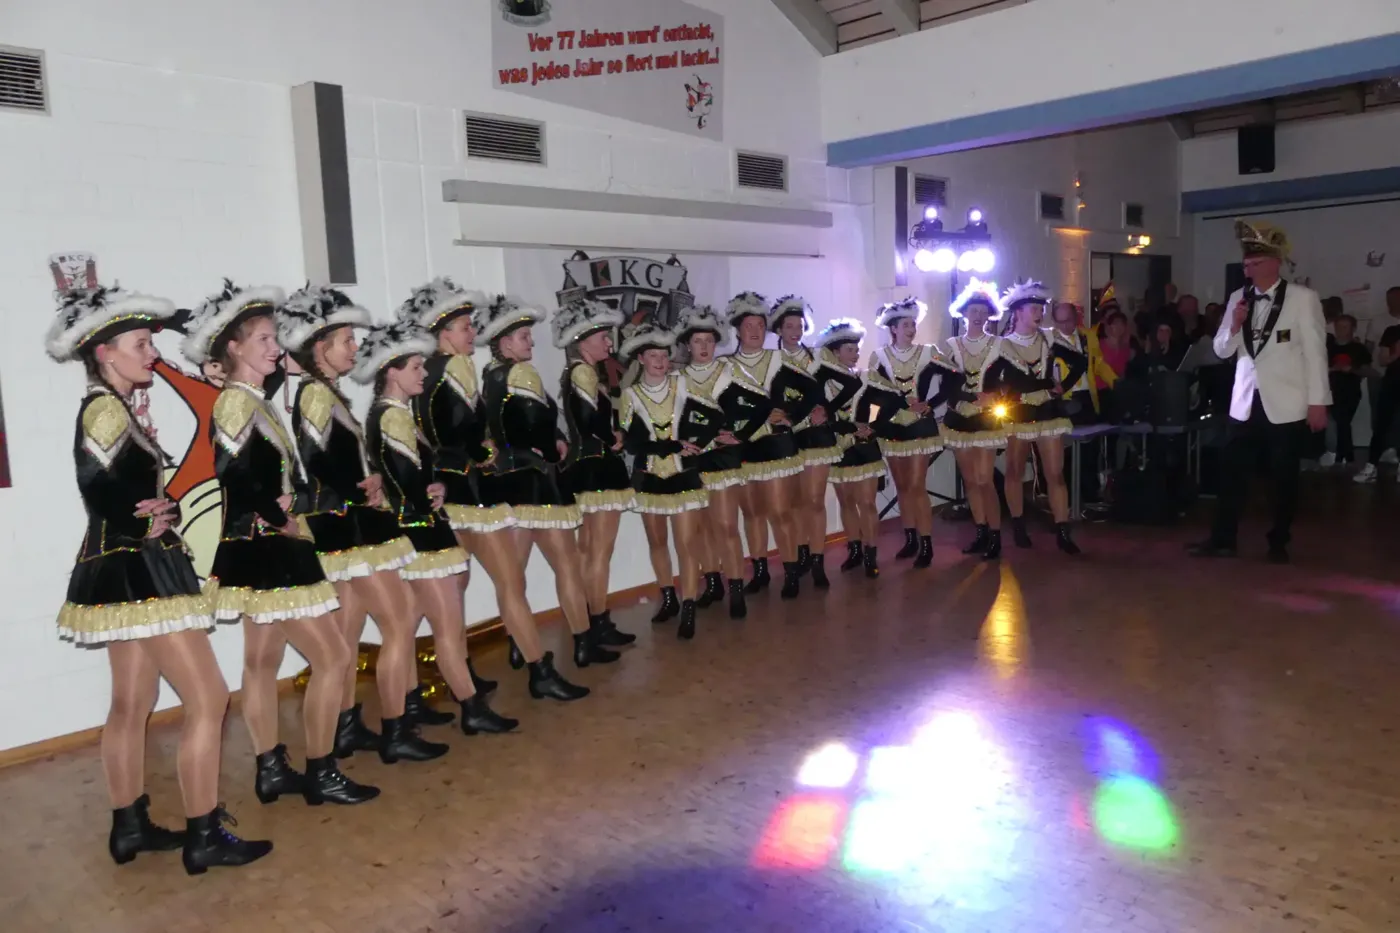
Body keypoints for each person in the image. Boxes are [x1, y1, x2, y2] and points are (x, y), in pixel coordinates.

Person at [46, 285, 270, 875]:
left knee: (131, 702)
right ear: (105, 353)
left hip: (119, 564)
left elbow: (111, 485)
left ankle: (130, 827)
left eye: (150, 343)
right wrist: (142, 519)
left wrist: (151, 509)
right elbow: (95, 482)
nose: (151, 353)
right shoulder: (104, 409)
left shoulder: (112, 407)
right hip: (138, 567)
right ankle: (204, 833)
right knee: (209, 697)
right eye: (141, 344)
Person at [182, 280, 378, 808]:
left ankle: (270, 767)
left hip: (257, 545)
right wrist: (281, 520)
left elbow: (267, 475)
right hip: (269, 546)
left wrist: (290, 508)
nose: (275, 347)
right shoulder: (235, 402)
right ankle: (322, 770)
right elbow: (234, 473)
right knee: (333, 657)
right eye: (264, 339)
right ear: (234, 348)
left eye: (275, 338)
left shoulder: (251, 400)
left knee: (262, 661)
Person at [278, 284, 452, 765]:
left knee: (349, 632)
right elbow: (317, 458)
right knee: (399, 621)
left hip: (344, 523)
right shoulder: (315, 393)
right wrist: (361, 487)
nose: (355, 348)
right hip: (349, 526)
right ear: (320, 347)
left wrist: (364, 480)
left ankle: (347, 726)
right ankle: (396, 729)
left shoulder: (321, 392)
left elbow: (332, 457)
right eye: (347, 341)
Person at [398, 279, 587, 701]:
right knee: (509, 585)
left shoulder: (432, 371)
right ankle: (538, 670)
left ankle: (446, 678)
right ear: (443, 332)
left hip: (448, 487)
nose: (473, 333)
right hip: (469, 489)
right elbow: (462, 430)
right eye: (465, 327)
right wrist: (483, 451)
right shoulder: (454, 367)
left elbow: (433, 432)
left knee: (453, 589)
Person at [353, 320, 518, 735]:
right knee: (446, 628)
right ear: (391, 372)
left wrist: (435, 488)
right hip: (422, 532)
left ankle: (408, 707)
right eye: (415, 367)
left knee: (411, 625)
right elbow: (407, 479)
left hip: (415, 526)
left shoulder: (389, 414)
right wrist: (430, 495)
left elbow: (404, 476)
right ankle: (470, 707)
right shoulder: (392, 417)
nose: (424, 374)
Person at [477, 294, 621, 667]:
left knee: (513, 577)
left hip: (507, 482)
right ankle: (583, 643)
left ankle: (518, 644)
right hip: (537, 482)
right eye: (524, 336)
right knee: (567, 566)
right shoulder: (521, 373)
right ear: (505, 342)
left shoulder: (490, 375)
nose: (531, 342)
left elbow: (497, 426)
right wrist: (553, 445)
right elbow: (536, 421)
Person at [1189, 220, 1330, 563]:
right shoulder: (1238, 298)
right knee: (1231, 474)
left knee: (1283, 478)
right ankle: (1223, 539)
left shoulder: (1302, 298)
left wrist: (1318, 401)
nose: (1248, 270)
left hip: (1286, 402)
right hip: (1245, 402)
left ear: (1274, 263)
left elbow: (1315, 353)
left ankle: (1278, 541)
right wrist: (1234, 325)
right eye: (1246, 264)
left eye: (1255, 263)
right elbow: (1221, 350)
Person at [552, 299, 637, 648]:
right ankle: (598, 622)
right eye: (602, 337)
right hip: (598, 467)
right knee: (599, 551)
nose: (609, 344)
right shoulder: (583, 372)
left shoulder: (575, 371)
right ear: (583, 339)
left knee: (588, 550)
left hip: (583, 466)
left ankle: (589, 623)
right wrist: (613, 436)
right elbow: (589, 419)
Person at [617, 321, 709, 638]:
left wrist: (698, 442)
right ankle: (668, 597)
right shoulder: (630, 395)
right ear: (641, 358)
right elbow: (631, 443)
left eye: (663, 354)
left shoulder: (682, 385)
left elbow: (713, 416)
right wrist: (667, 446)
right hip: (649, 478)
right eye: (653, 355)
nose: (660, 361)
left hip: (684, 475)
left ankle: (689, 605)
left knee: (687, 544)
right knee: (657, 543)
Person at [984, 280, 1087, 554]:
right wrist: (1003, 393)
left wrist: (1063, 386)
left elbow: (1080, 362)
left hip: (1048, 411)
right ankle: (1018, 525)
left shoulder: (1049, 338)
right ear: (1018, 312)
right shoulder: (1003, 345)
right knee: (1015, 471)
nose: (1039, 313)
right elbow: (989, 379)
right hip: (1018, 413)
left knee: (1055, 474)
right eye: (1033, 308)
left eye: (1041, 309)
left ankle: (1063, 531)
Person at [723, 292, 807, 598]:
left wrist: (790, 414)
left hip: (777, 446)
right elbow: (721, 405)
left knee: (781, 513)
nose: (755, 330)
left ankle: (791, 572)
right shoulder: (726, 366)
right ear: (738, 329)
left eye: (760, 324)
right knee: (752, 514)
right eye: (749, 325)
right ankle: (760, 571)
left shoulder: (779, 358)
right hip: (745, 447)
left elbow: (811, 392)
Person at [676, 306, 749, 619]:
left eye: (708, 340)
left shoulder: (728, 371)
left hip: (722, 456)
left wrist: (735, 434)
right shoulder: (677, 378)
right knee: (703, 528)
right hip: (694, 457)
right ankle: (713, 583)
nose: (704, 346)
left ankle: (736, 588)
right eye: (697, 341)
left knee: (726, 526)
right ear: (687, 345)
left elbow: (749, 405)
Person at [867, 297, 951, 569]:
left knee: (916, 486)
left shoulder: (928, 352)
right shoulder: (879, 357)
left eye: (913, 324)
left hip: (919, 427)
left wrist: (931, 404)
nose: (911, 329)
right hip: (892, 428)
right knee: (903, 486)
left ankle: (927, 544)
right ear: (893, 328)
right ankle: (911, 538)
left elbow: (955, 376)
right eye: (905, 325)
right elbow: (872, 396)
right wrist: (871, 425)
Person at [770, 295, 839, 587]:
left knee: (814, 500)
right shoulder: (771, 361)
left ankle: (818, 560)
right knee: (794, 502)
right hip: (786, 437)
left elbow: (841, 388)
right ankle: (801, 555)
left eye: (799, 326)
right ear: (779, 329)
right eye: (789, 326)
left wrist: (827, 410)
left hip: (815, 436)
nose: (795, 331)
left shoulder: (818, 356)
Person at [813, 319, 885, 577]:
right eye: (849, 349)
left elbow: (881, 404)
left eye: (857, 349)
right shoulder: (823, 382)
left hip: (865, 446)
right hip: (839, 447)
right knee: (846, 502)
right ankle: (854, 550)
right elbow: (822, 416)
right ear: (835, 352)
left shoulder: (866, 377)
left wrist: (871, 426)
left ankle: (871, 554)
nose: (855, 354)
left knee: (867, 503)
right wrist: (848, 427)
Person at [941, 279, 1007, 559]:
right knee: (970, 480)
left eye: (983, 311)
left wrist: (995, 396)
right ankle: (980, 531)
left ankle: (996, 535)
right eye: (973, 310)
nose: (978, 315)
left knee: (984, 480)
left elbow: (1011, 380)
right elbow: (946, 384)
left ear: (990, 314)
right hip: (959, 419)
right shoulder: (952, 345)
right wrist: (965, 399)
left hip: (987, 419)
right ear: (964, 313)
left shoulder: (1000, 344)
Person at [1354, 285, 1400, 482]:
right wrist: (1396, 353)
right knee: (1381, 421)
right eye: (1392, 298)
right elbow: (1381, 358)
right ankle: (1372, 465)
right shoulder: (1390, 330)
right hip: (1389, 380)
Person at [1321, 314, 1370, 466]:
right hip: (1329, 389)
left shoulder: (1358, 349)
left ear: (1353, 329)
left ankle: (1342, 455)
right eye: (1338, 327)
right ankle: (1342, 454)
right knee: (1334, 422)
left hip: (1350, 391)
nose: (1341, 331)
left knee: (1343, 421)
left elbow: (1367, 370)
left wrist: (1352, 369)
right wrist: (1332, 369)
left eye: (1345, 327)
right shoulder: (1327, 347)